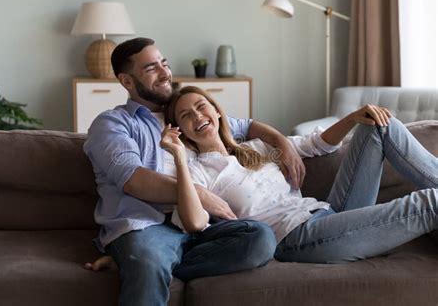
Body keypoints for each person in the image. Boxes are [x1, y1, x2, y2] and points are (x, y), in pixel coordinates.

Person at [83, 37, 307, 306]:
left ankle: (142, 264)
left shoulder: (183, 113)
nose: (165, 73)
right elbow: (133, 180)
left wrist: (283, 142)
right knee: (149, 260)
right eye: (151, 68)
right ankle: (144, 262)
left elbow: (246, 126)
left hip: (199, 225)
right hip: (148, 226)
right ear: (127, 81)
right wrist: (198, 193)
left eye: (164, 63)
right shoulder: (113, 123)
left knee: (259, 237)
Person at [159, 86, 437, 263]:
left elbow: (319, 143)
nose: (197, 116)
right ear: (181, 129)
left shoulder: (256, 147)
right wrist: (179, 158)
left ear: (217, 112)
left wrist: (353, 117)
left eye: (200, 106)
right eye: (186, 115)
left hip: (328, 214)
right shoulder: (197, 172)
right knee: (431, 202)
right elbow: (194, 222)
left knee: (379, 124)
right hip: (298, 239)